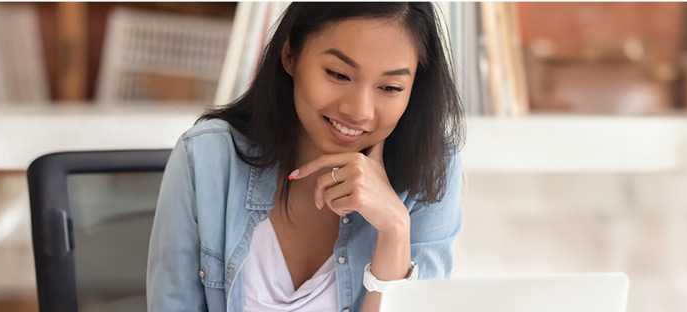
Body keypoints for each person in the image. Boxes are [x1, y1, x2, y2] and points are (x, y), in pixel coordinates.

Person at [147, 3, 465, 312]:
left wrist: (394, 230)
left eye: (390, 87)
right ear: (290, 55)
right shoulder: (205, 158)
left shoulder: (431, 167)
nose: (359, 111)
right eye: (338, 74)